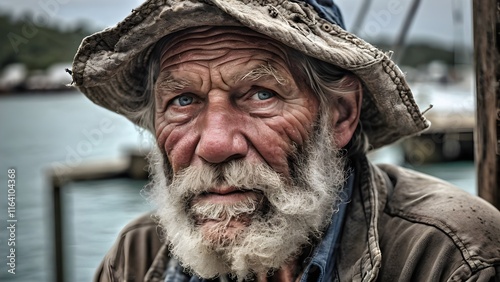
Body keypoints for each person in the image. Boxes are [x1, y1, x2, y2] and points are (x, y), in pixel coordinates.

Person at [71, 0, 500, 281]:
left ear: (341, 115)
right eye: (183, 99)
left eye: (261, 94)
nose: (215, 145)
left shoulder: (449, 259)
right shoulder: (137, 255)